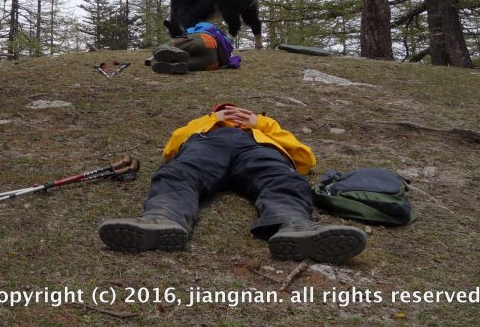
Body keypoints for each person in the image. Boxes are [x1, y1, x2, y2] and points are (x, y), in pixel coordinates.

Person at [98, 103, 367, 263]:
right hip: (207, 146)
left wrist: (259, 123)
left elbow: (305, 158)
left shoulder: (265, 127)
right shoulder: (202, 124)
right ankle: (161, 219)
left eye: (239, 112)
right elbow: (171, 150)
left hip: (257, 149)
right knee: (179, 172)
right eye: (224, 111)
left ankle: (294, 225)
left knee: (283, 179)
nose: (232, 114)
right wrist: (210, 122)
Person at [146, 21, 241, 75]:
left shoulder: (204, 26)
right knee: (181, 64)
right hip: (213, 62)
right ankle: (174, 66)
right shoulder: (227, 43)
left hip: (204, 39)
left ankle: (157, 57)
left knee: (164, 47)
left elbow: (187, 33)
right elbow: (233, 60)